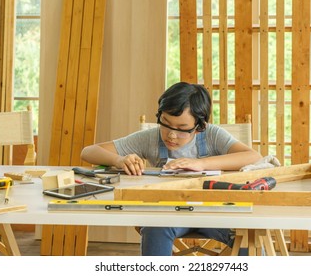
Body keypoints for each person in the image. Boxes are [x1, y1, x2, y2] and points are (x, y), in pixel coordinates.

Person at [81, 81, 262, 255]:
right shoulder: (151, 138)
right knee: (155, 228)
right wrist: (119, 160)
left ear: (199, 126)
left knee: (247, 236)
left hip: (214, 211)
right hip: (169, 213)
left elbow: (254, 157)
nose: (172, 135)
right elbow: (88, 151)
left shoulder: (212, 135)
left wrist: (200, 164)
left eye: (182, 128)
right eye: (166, 123)